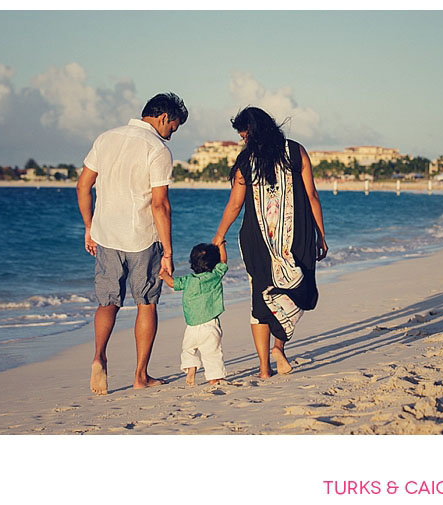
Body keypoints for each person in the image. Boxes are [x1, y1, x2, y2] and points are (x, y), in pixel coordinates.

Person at [77, 92, 187, 395]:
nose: (172, 133)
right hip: (142, 238)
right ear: (164, 118)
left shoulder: (106, 138)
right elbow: (160, 205)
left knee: (107, 301)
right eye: (174, 127)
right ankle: (140, 375)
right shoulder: (157, 149)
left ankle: (99, 356)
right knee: (146, 303)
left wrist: (89, 227)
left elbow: (83, 185)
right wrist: (168, 250)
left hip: (106, 235)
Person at [212, 107, 327, 378]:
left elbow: (235, 204)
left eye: (244, 136)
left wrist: (219, 235)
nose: (243, 142)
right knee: (296, 290)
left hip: (257, 242)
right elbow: (311, 195)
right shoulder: (296, 151)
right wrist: (320, 234)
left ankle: (264, 369)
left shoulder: (246, 162)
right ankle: (278, 348)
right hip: (296, 238)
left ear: (253, 133)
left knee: (260, 300)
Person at [159, 241, 229, 386]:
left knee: (188, 349)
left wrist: (164, 274)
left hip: (191, 327)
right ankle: (214, 378)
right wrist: (221, 245)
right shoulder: (215, 275)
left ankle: (191, 367)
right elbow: (224, 261)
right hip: (210, 325)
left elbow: (172, 283)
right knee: (212, 353)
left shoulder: (188, 280)